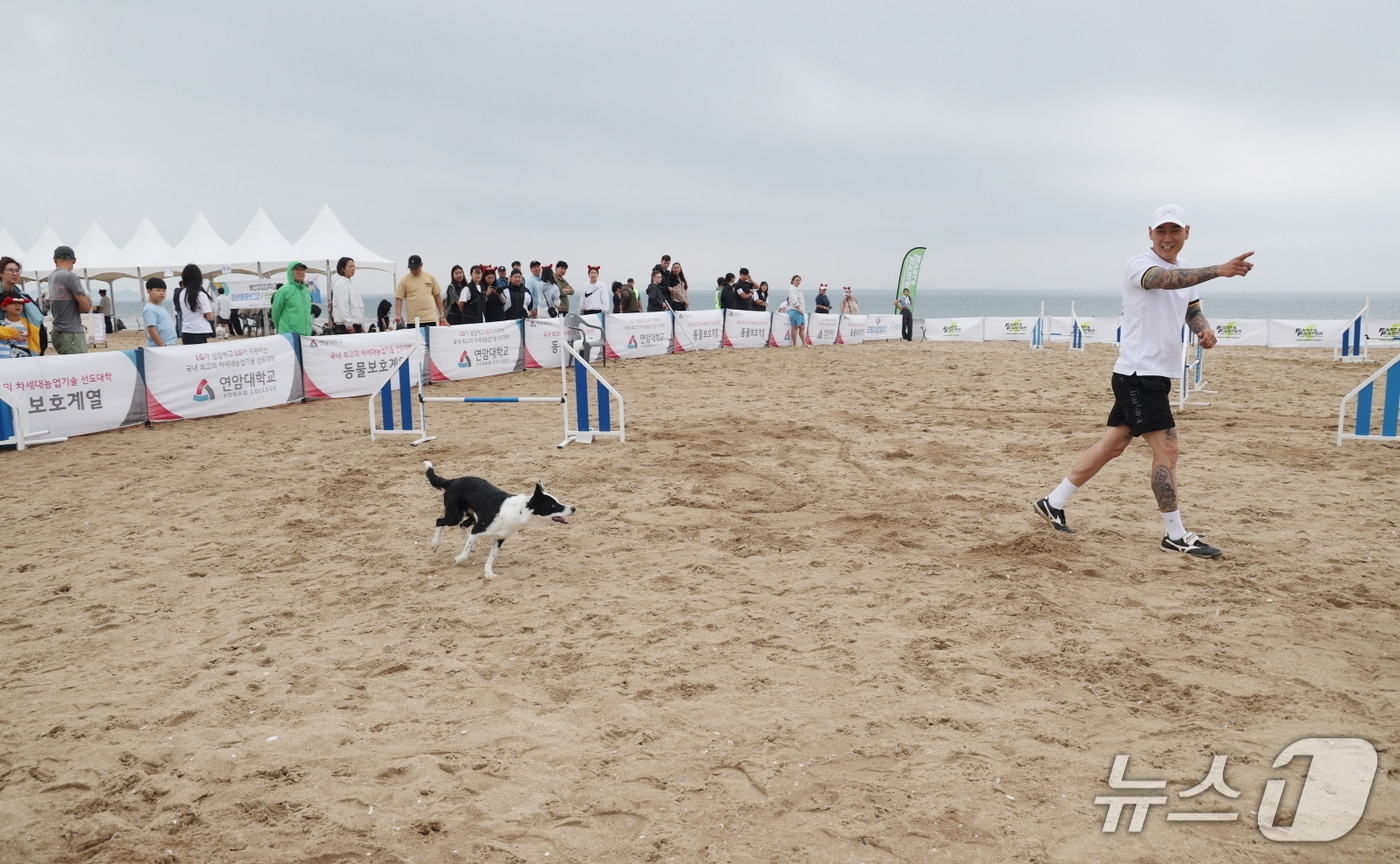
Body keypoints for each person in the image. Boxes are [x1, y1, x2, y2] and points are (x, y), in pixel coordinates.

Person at [1034, 203, 1254, 559]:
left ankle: (1053, 502)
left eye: (1174, 230)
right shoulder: (1139, 265)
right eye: (1161, 231)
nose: (1167, 237)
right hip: (1140, 375)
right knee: (1168, 450)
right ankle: (1175, 535)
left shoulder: (1186, 269)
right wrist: (1219, 270)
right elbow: (1162, 280)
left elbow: (1190, 307)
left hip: (1154, 374)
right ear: (1150, 234)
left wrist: (1203, 329)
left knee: (1114, 444)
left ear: (1186, 232)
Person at [47, 245, 90, 354]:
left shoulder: (51, 276)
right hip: (71, 332)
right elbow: (86, 307)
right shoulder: (71, 277)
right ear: (74, 261)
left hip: (58, 330)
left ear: (54, 260)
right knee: (80, 363)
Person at [1, 257, 44, 354]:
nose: (15, 274)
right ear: (1, 273)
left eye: (17, 271)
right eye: (10, 270)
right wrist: (10, 333)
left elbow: (38, 321)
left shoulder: (24, 297)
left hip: (23, 349)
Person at [394, 254, 447, 328]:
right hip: (413, 320)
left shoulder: (430, 277)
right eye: (411, 268)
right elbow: (399, 298)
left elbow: (437, 296)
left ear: (421, 265)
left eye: (415, 268)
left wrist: (442, 315)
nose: (413, 271)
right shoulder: (404, 280)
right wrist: (398, 315)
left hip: (430, 318)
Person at [270, 261, 315, 336]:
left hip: (306, 335)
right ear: (290, 272)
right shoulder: (283, 291)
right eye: (297, 270)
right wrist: (280, 330)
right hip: (289, 334)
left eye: (302, 270)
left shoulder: (306, 291)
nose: (300, 272)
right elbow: (275, 314)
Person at [176, 263, 215, 345]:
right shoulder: (201, 295)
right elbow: (210, 317)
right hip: (199, 331)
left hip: (186, 331)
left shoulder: (182, 293)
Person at [330, 257, 366, 333]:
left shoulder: (351, 284)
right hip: (346, 326)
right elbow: (343, 305)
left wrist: (362, 324)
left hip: (356, 324)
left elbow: (357, 306)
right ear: (342, 269)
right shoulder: (340, 284)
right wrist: (348, 324)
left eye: (354, 266)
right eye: (350, 267)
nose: (353, 269)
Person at [142, 277, 177, 348]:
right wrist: (162, 346)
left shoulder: (160, 307)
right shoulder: (149, 308)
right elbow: (152, 330)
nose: (161, 293)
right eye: (158, 290)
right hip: (160, 346)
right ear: (149, 291)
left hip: (170, 344)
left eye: (164, 291)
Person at [786, 275, 807, 347]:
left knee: (802, 327)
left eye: (799, 280)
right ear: (793, 281)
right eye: (797, 280)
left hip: (801, 311)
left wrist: (802, 310)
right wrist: (799, 308)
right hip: (795, 310)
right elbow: (794, 299)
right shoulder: (792, 289)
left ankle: (804, 343)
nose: (798, 282)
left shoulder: (797, 289)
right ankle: (795, 343)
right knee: (795, 327)